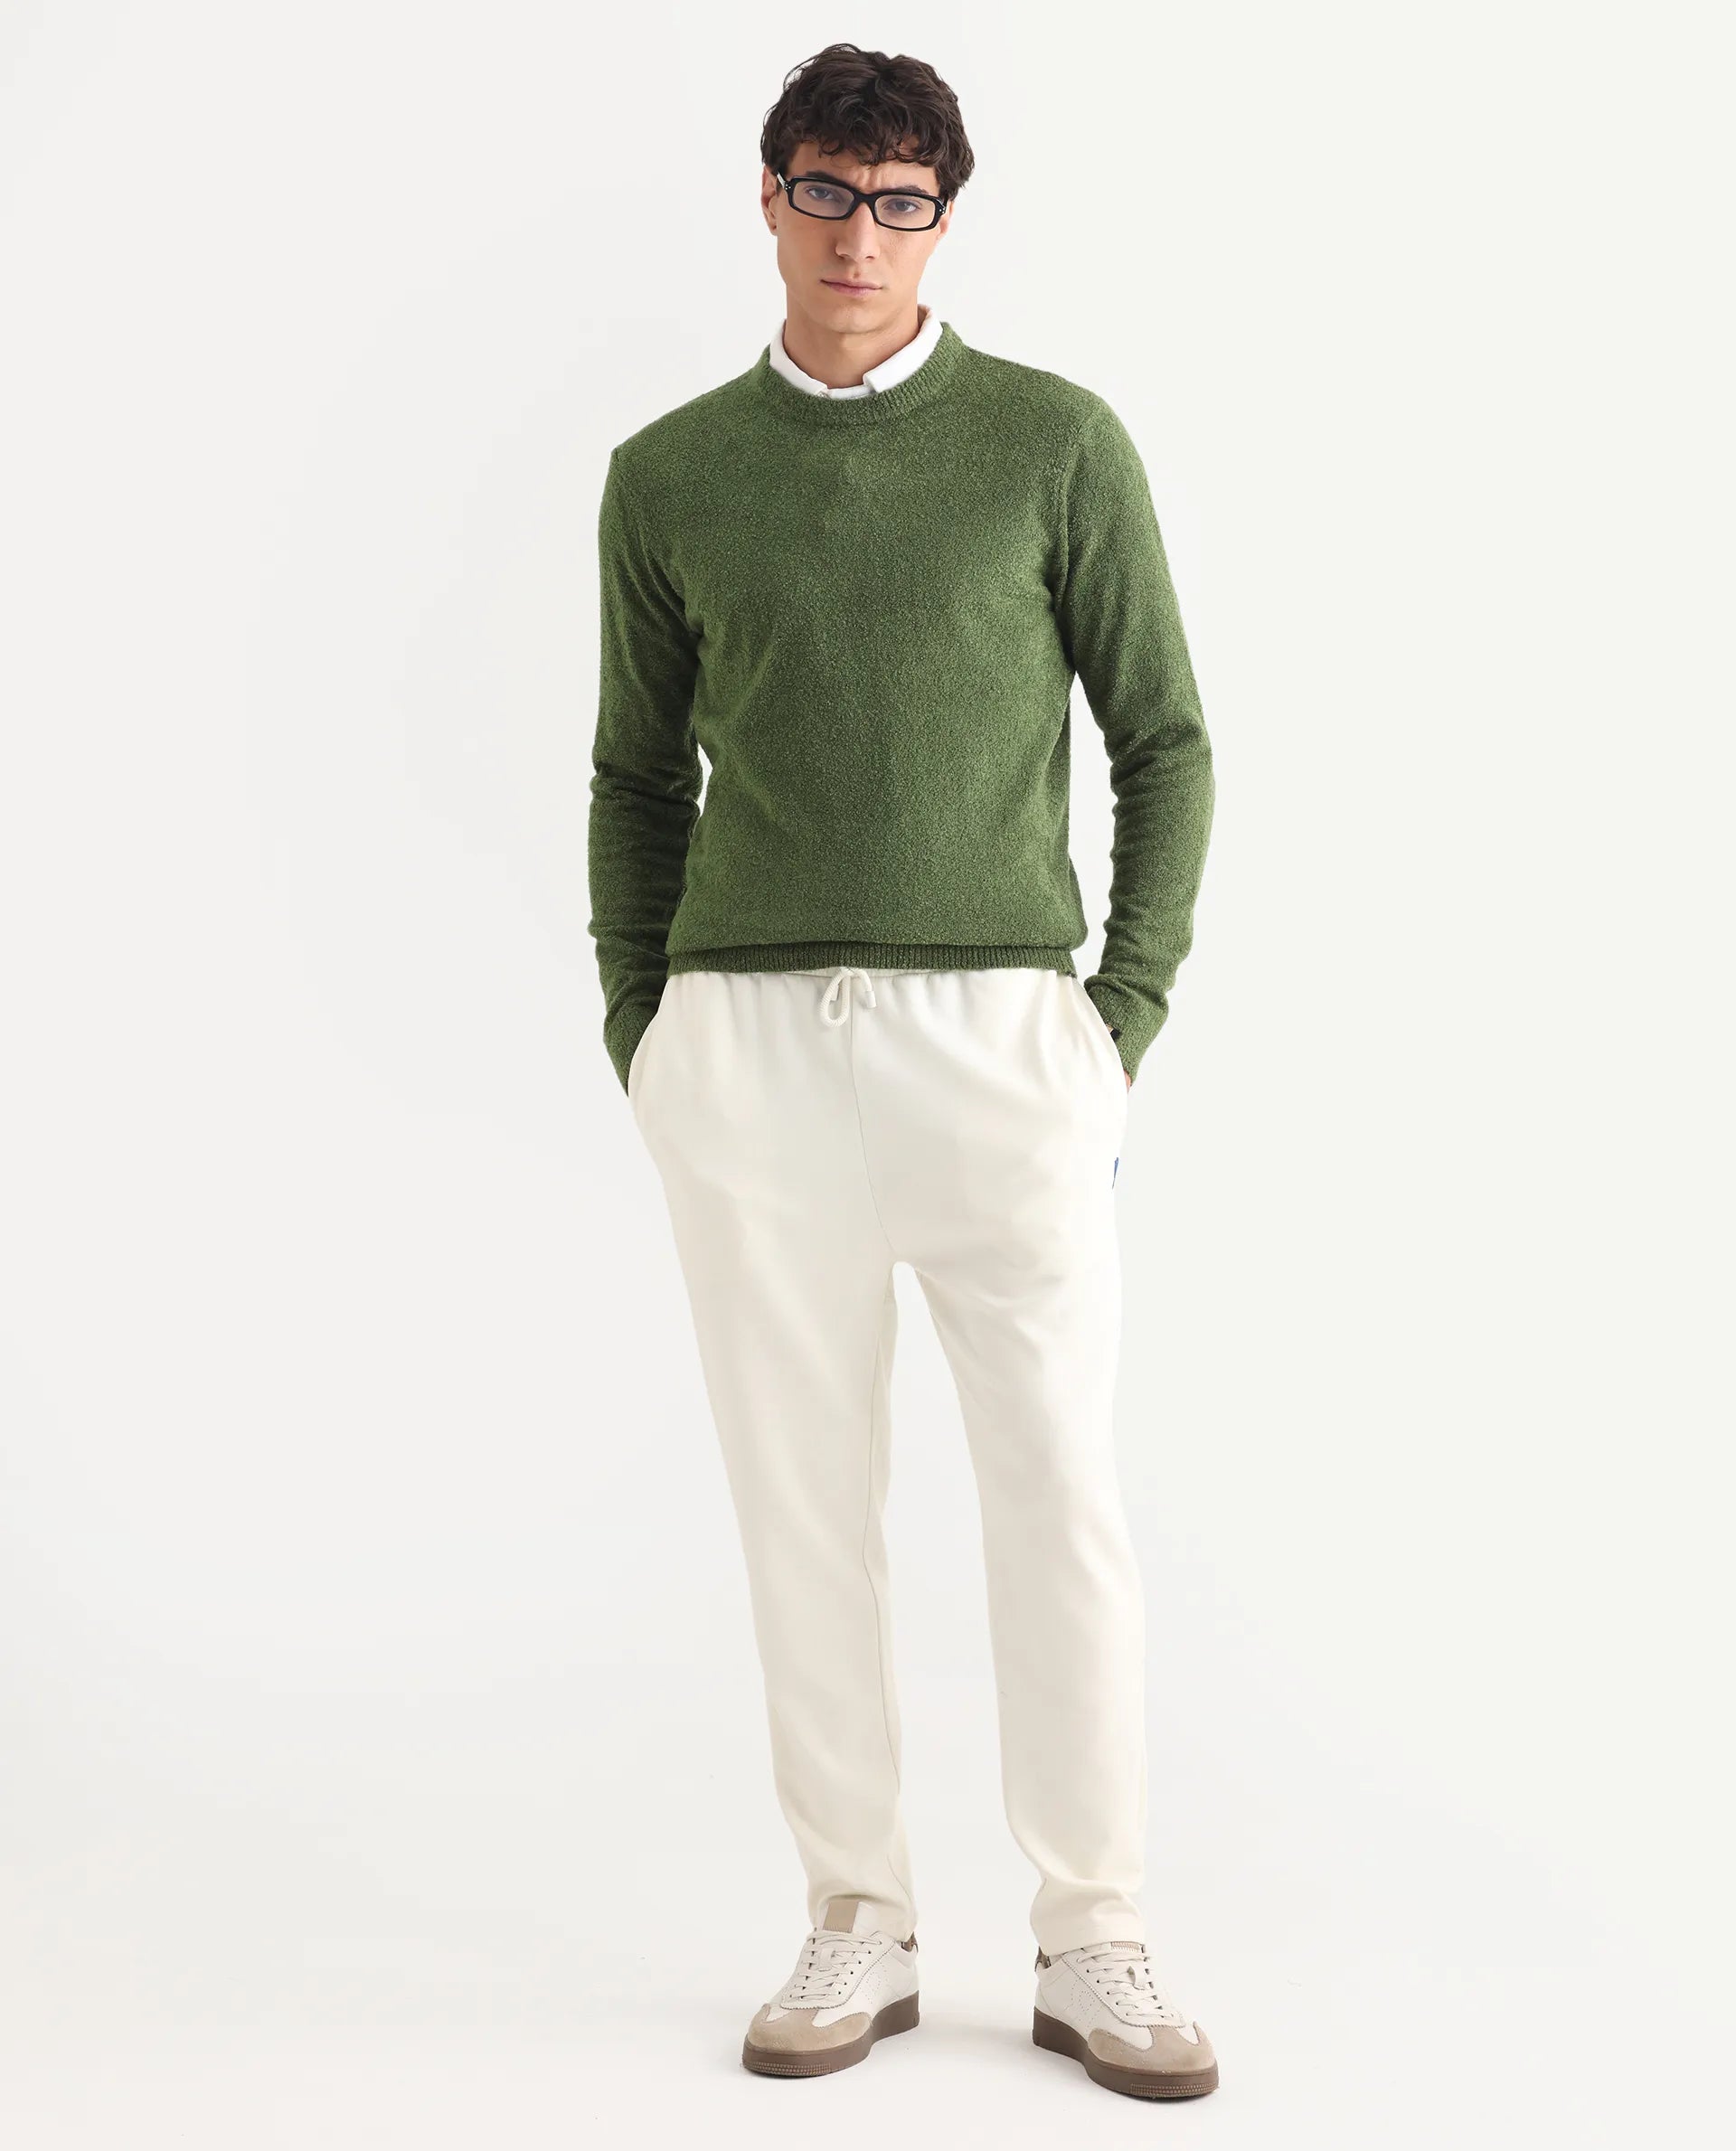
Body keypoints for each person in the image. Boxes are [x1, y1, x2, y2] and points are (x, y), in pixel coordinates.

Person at [587, 41, 1218, 2101]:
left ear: (946, 218)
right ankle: (854, 1910)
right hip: (751, 1052)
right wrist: (646, 1030)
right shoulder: (670, 473)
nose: (861, 234)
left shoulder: (1053, 443)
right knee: (801, 1502)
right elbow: (632, 774)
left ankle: (1094, 1928)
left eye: (901, 200)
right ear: (768, 195)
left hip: (1004, 1044)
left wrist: (1116, 1021)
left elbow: (1164, 741)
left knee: (1060, 1496)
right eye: (827, 190)